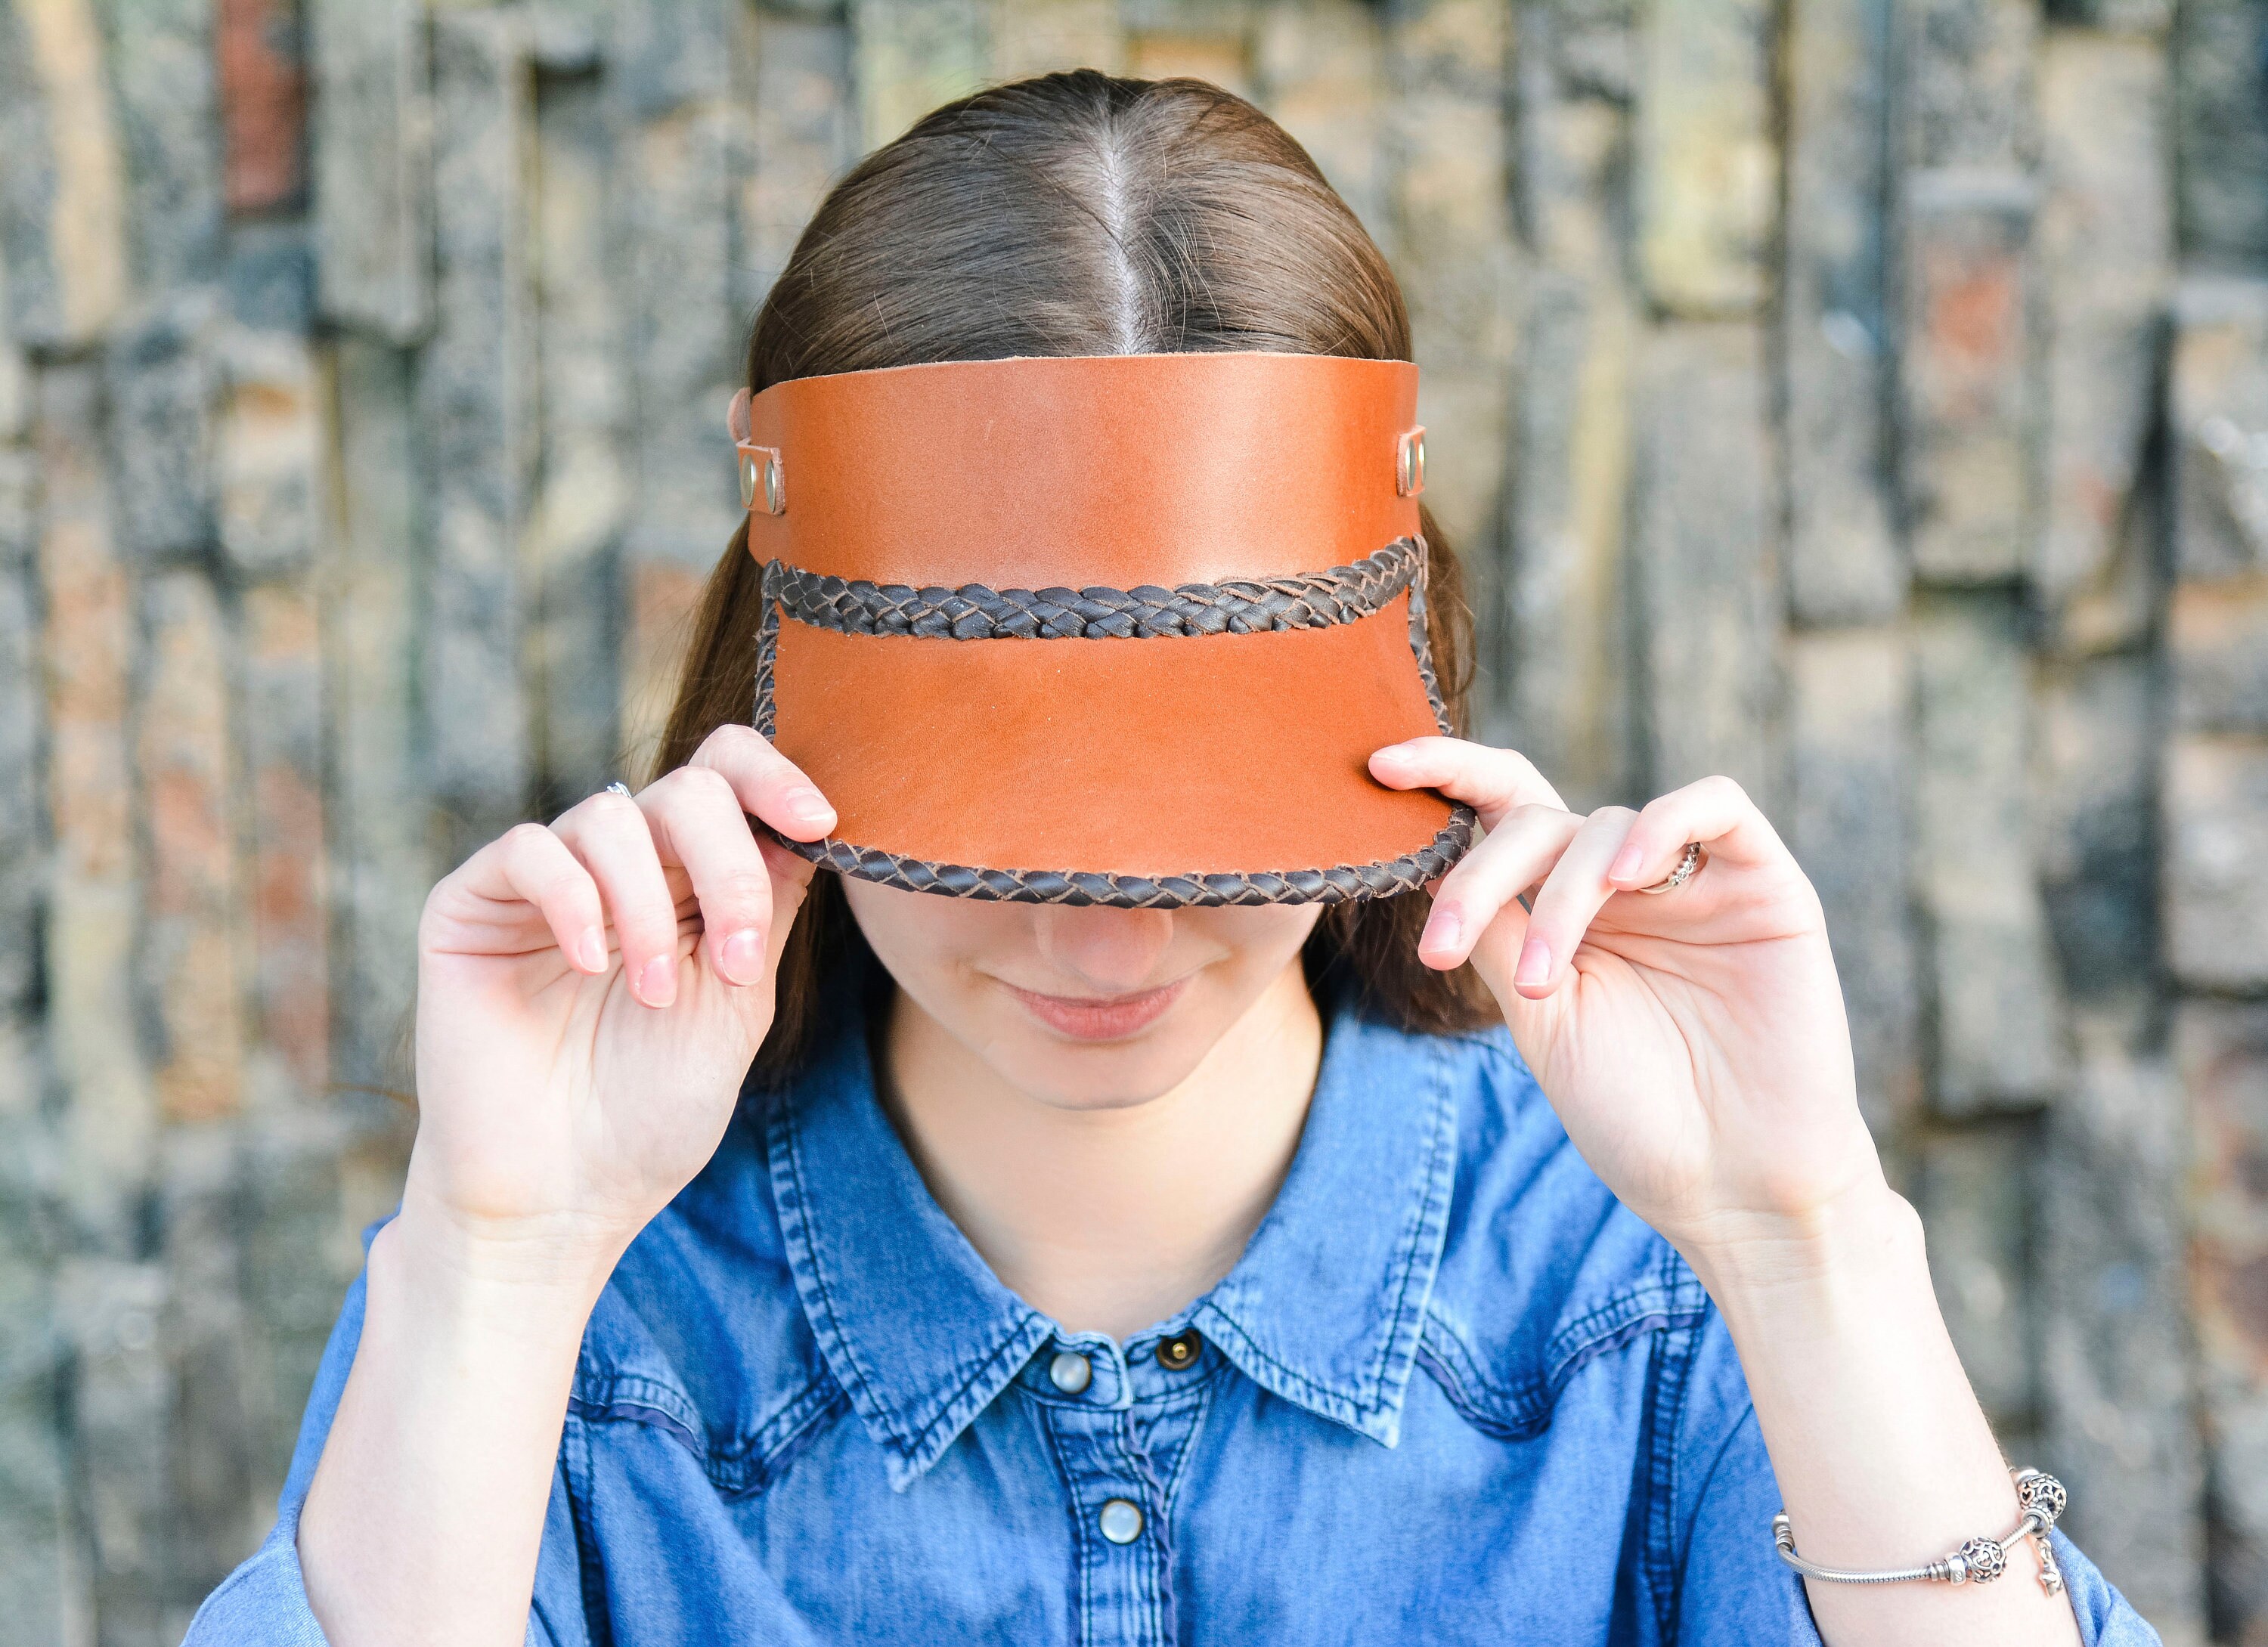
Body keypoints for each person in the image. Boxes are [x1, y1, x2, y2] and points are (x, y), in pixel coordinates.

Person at [186, 70, 2158, 1646]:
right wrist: (499, 1255)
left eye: (1199, 782)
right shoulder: (556, 1309)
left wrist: (1805, 1228)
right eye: (994, 772)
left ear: (1392, 686)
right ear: (778, 692)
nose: (1098, 907)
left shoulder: (1648, 1295)